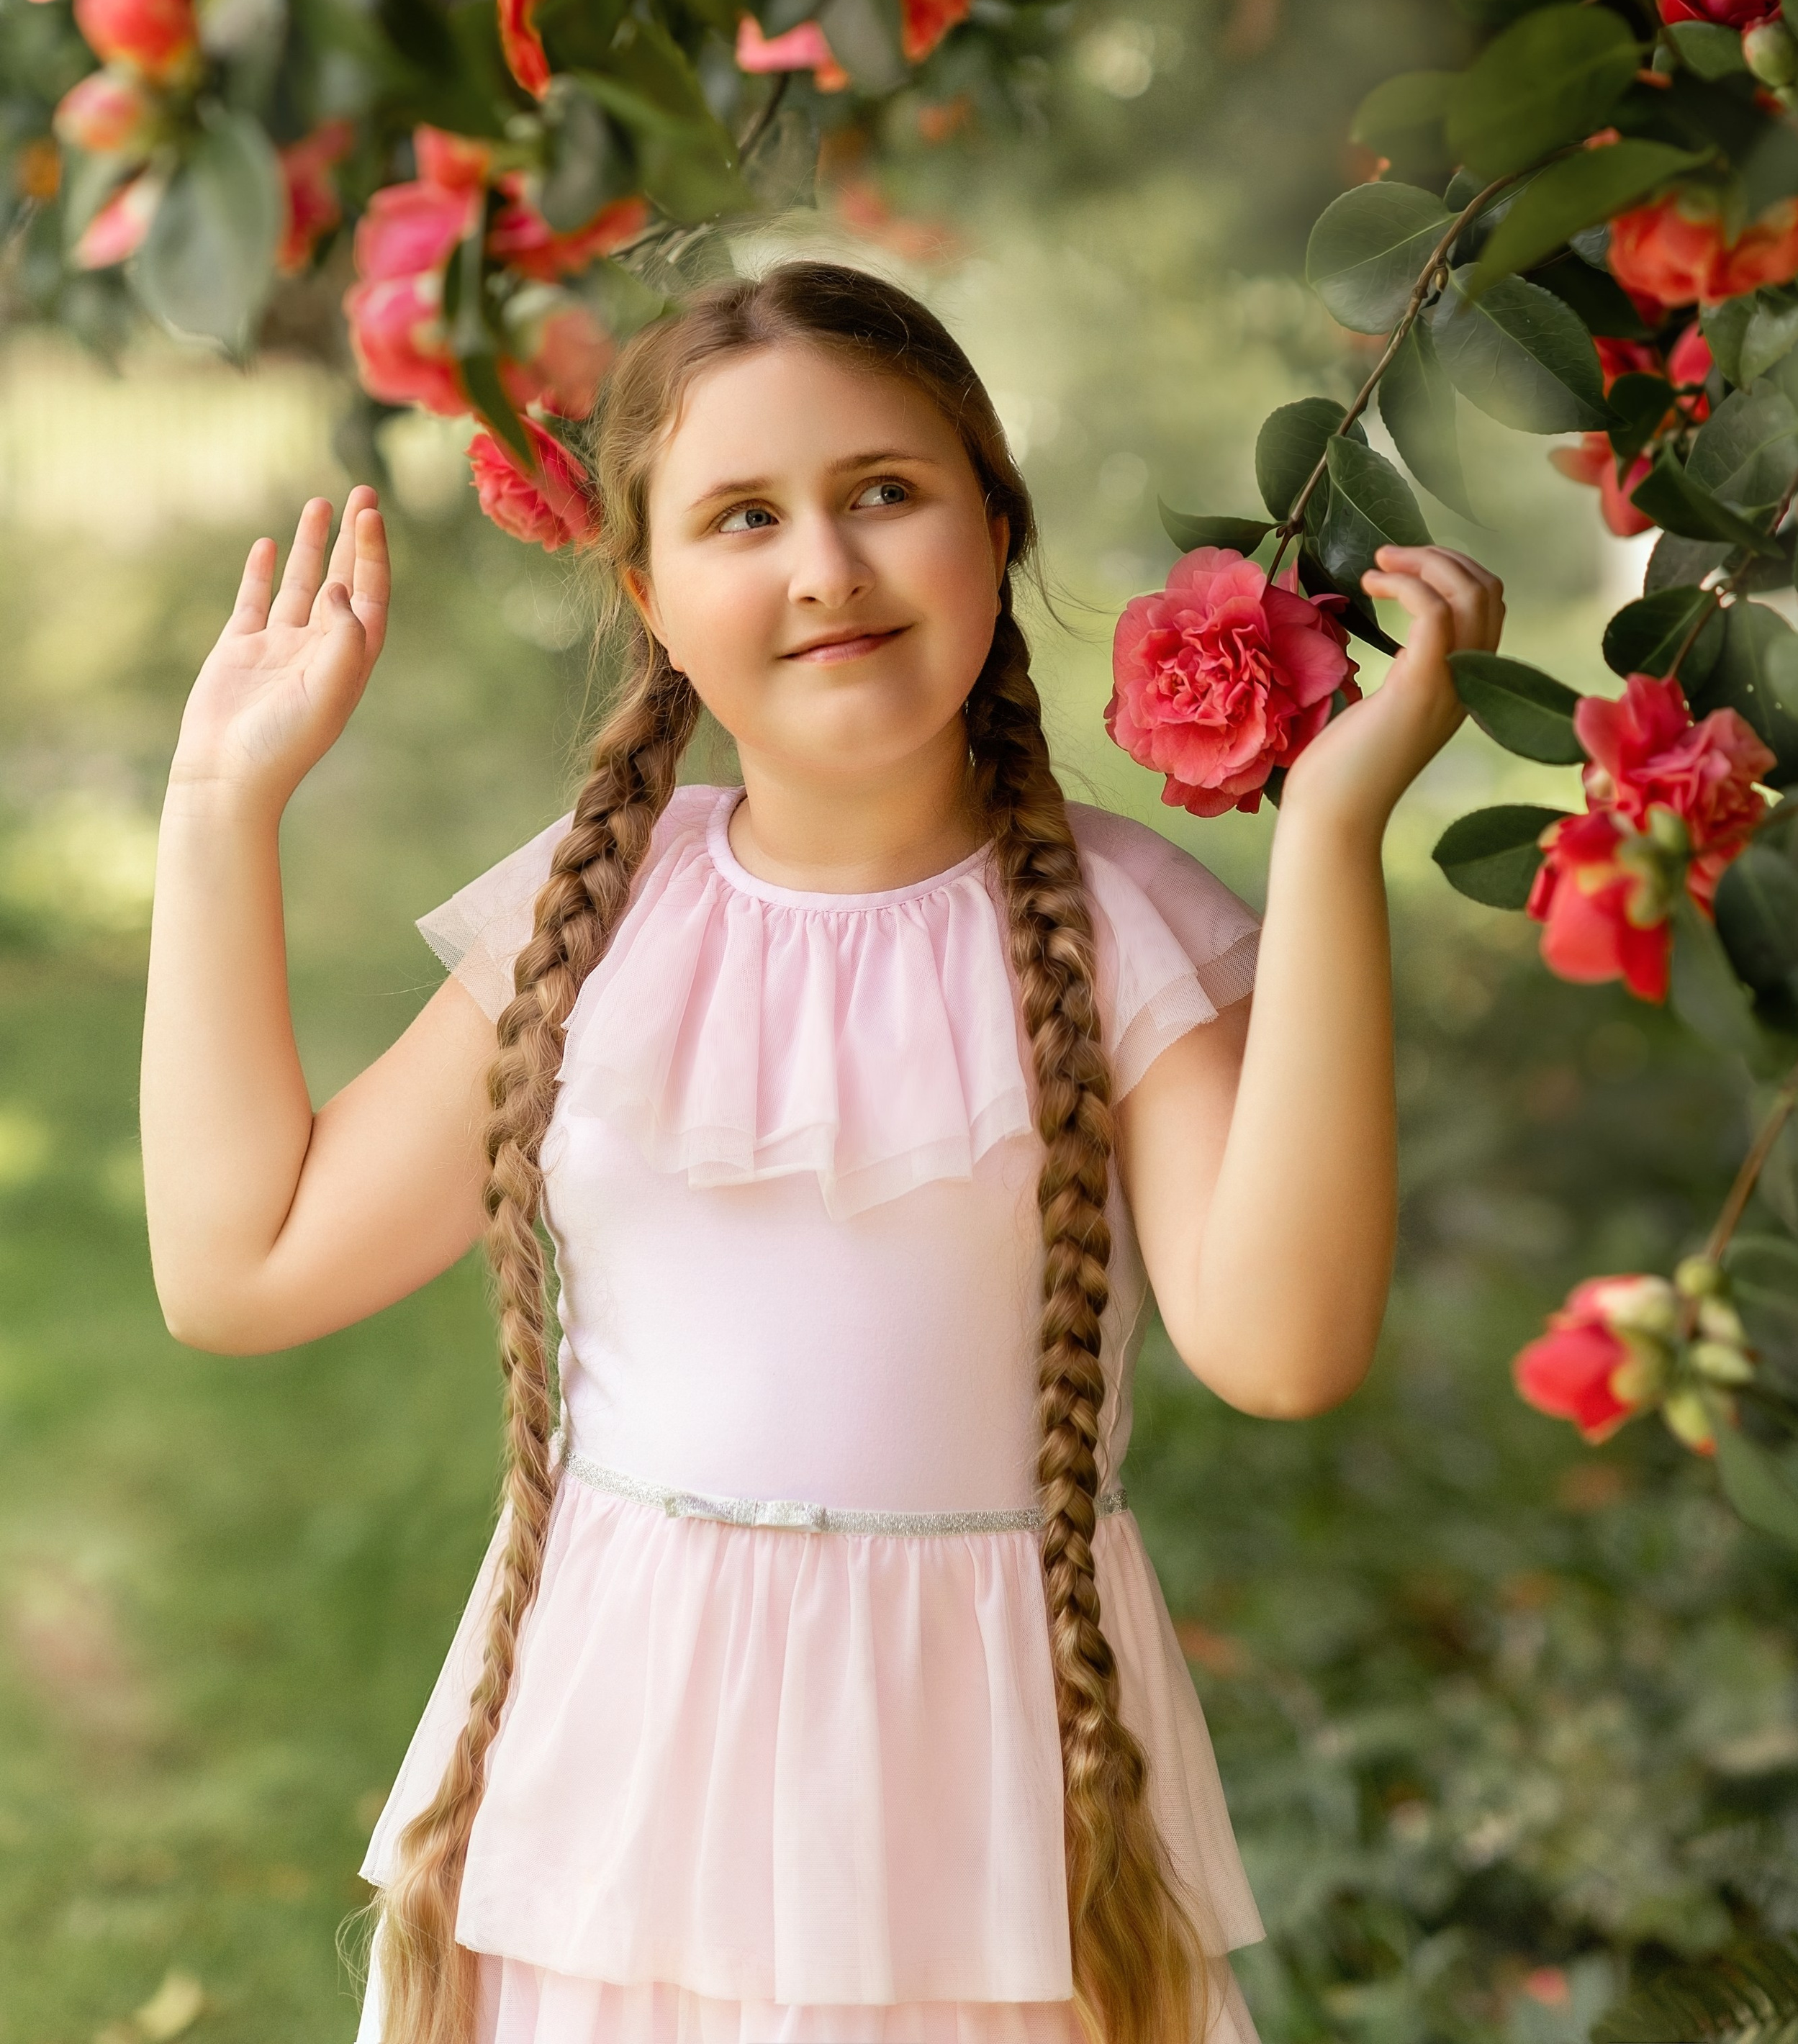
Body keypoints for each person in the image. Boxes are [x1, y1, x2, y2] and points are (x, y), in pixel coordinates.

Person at [140, 261, 1505, 2044]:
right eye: (742, 517)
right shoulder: (598, 912)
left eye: (881, 492)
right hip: (617, 1797)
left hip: (977, 1810)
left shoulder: (1115, 924)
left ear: (992, 528)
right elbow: (241, 1270)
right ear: (650, 597)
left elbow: (1280, 1347)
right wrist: (218, 806)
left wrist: (1329, 836)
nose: (824, 568)